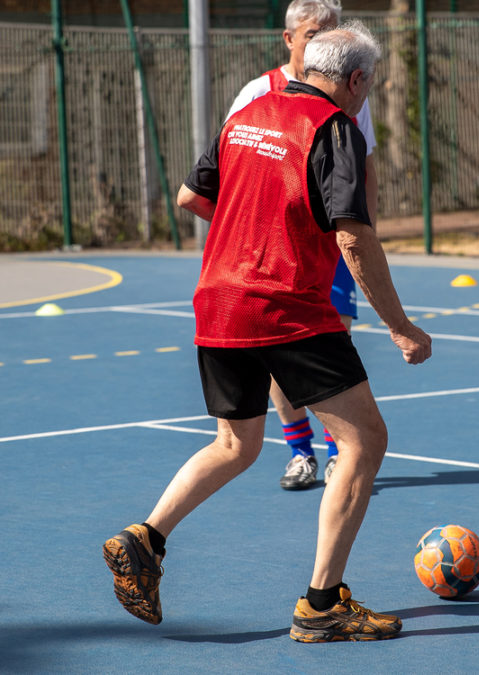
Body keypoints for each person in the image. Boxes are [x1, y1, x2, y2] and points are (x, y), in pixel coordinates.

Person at [103, 22, 432, 643]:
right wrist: (400, 325)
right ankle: (322, 604)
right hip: (285, 304)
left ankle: (144, 540)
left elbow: (191, 197)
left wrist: (252, 225)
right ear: (356, 79)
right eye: (369, 84)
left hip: (219, 299)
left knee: (237, 444)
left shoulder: (247, 112)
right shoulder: (334, 128)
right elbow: (353, 236)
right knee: (364, 439)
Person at [227, 0, 381, 491]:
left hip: (329, 244)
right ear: (290, 39)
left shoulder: (351, 97)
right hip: (275, 249)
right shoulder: (258, 93)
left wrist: (364, 231)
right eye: (315, 31)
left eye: (333, 30)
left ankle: (340, 450)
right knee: (279, 350)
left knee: (335, 339)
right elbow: (228, 167)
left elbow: (365, 164)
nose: (325, 39)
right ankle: (300, 452)